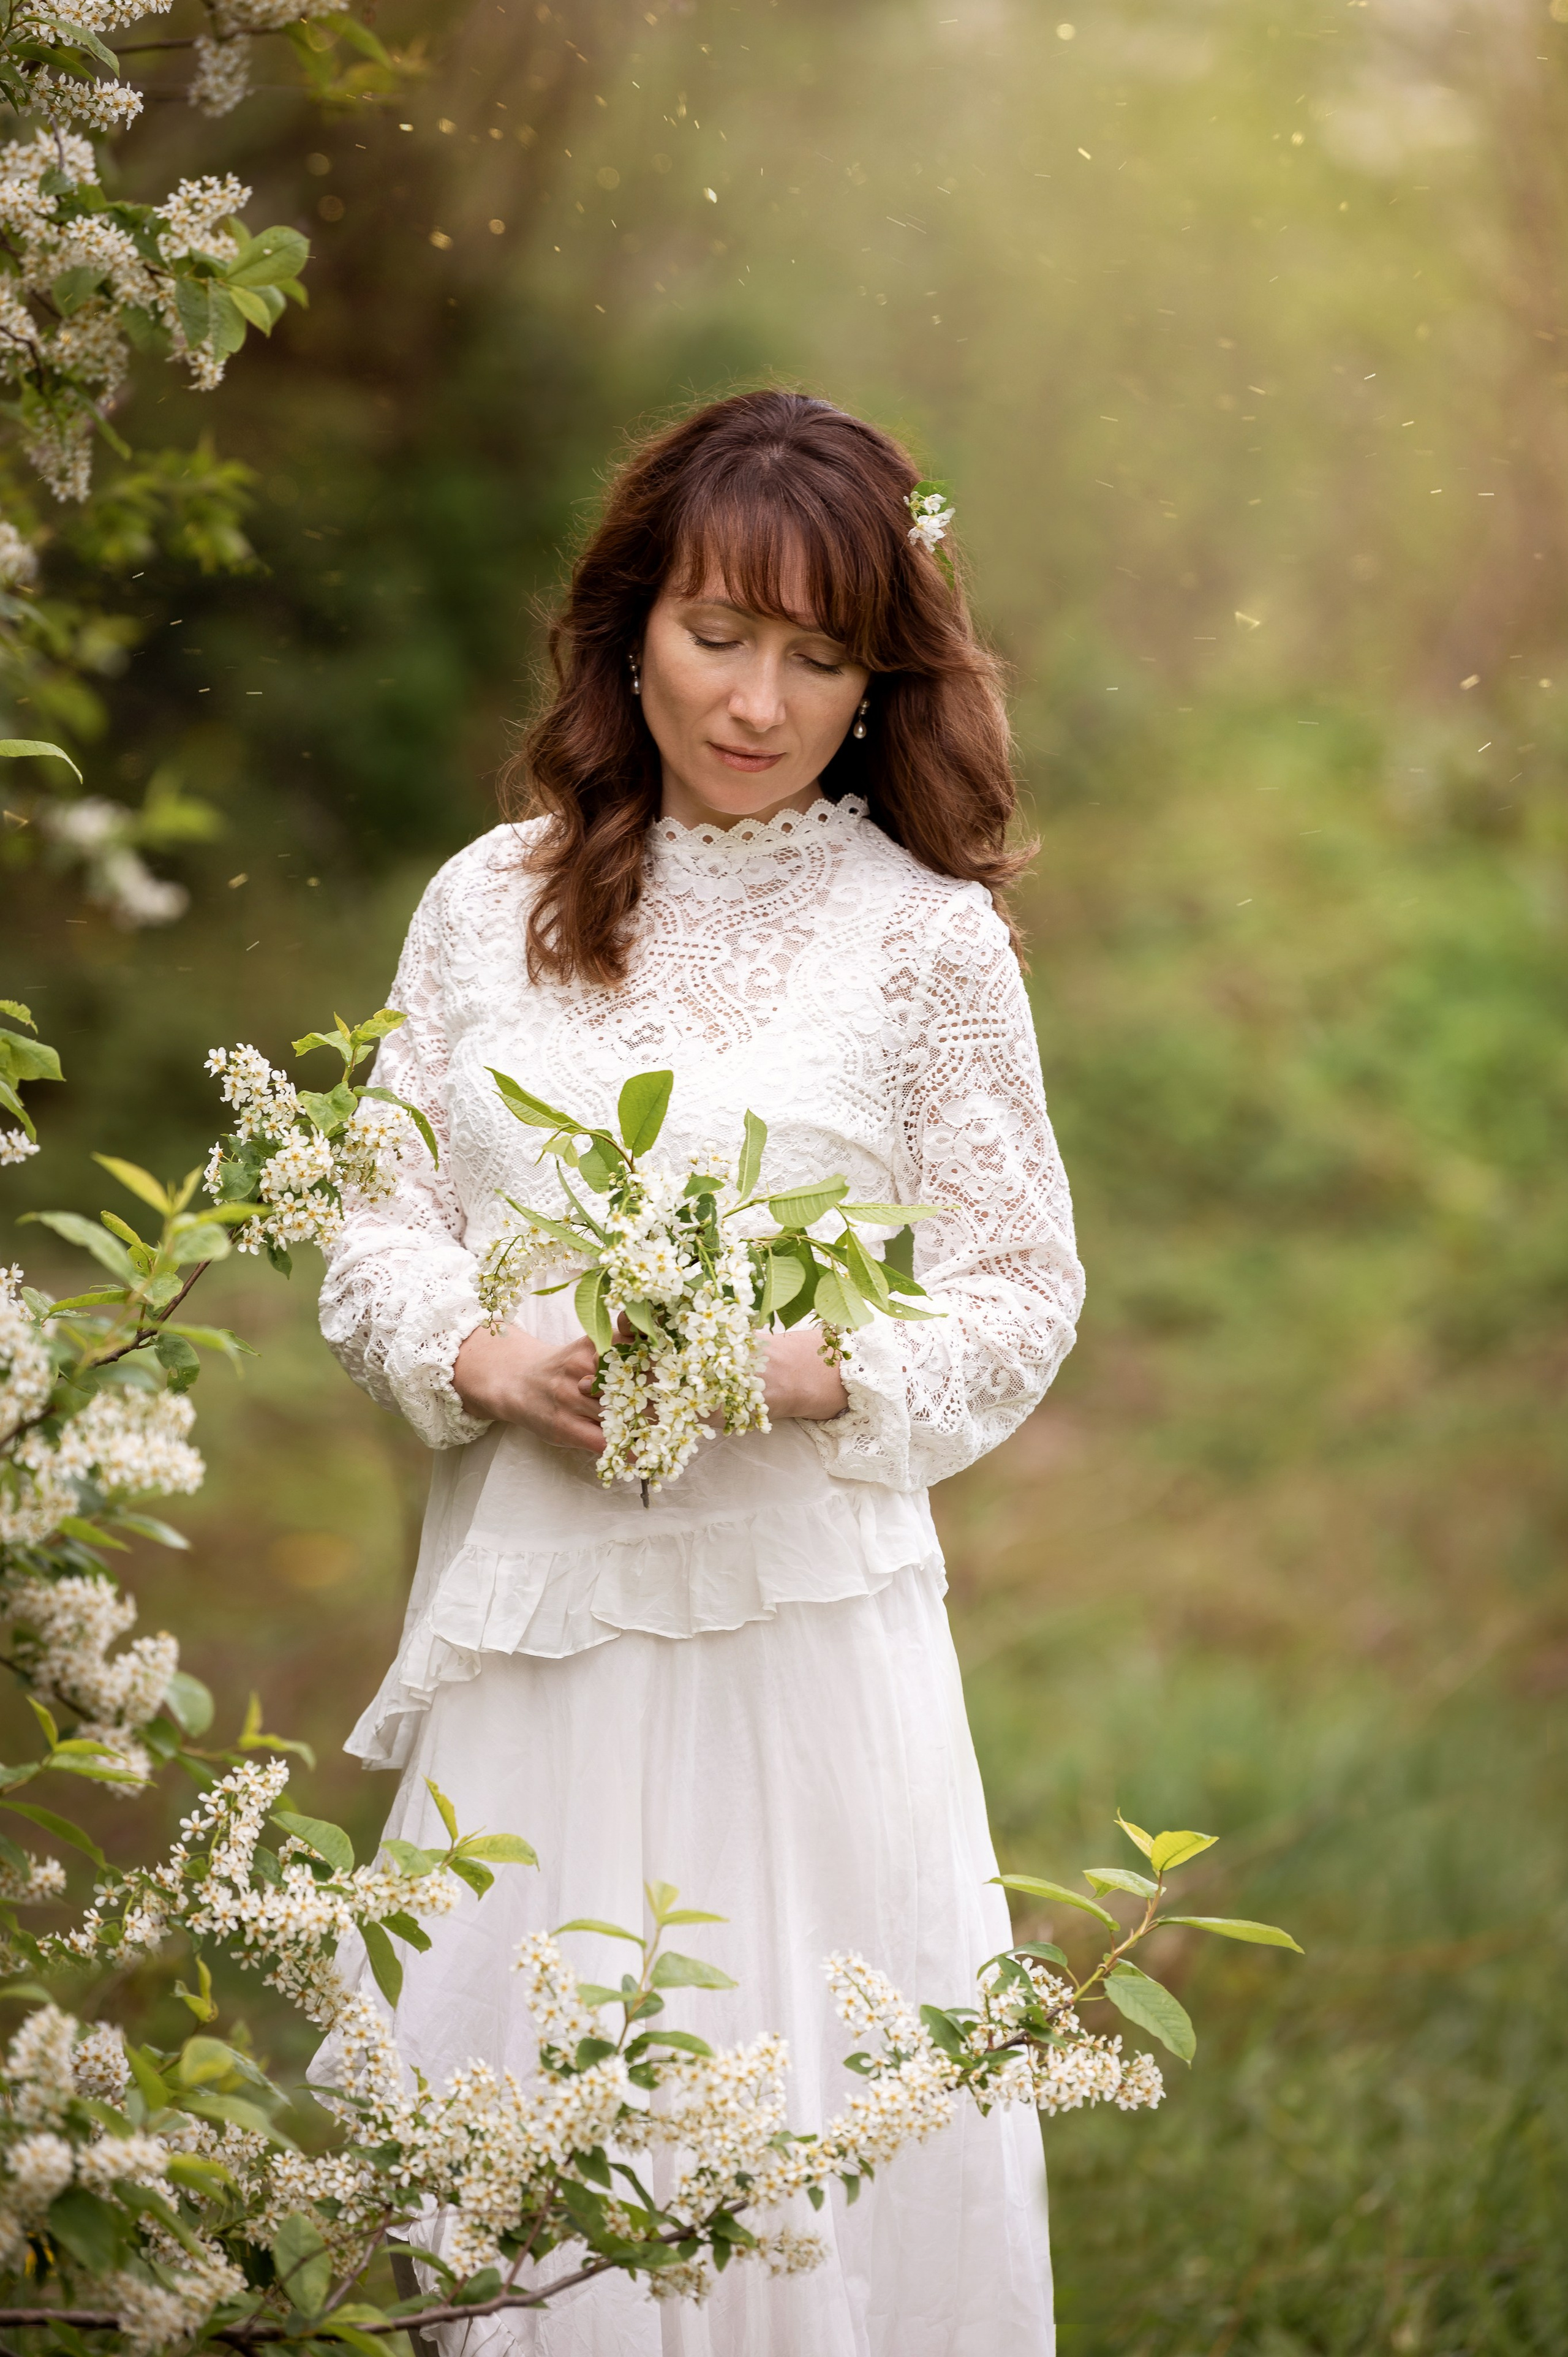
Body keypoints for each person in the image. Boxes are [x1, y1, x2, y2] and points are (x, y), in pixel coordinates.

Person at [319, 387, 1084, 2354]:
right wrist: (481, 1348)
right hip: (539, 1632)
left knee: (800, 2113)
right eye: (718, 635)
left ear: (874, 681)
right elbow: (371, 1216)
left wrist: (804, 1371)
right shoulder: (486, 905)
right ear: (630, 625)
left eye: (820, 657)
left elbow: (1020, 1288)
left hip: (797, 1644)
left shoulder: (927, 948)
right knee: (518, 2116)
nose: (758, 702)